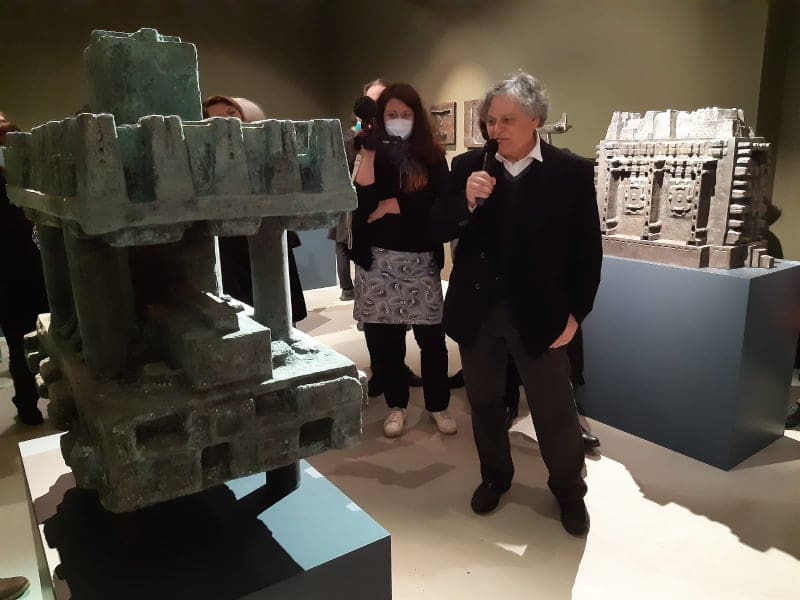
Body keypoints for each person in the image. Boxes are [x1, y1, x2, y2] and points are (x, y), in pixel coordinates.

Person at [432, 72, 602, 535]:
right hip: (478, 313)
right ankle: (495, 476)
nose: (496, 129)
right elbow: (437, 227)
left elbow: (587, 253)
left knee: (555, 410)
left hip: (542, 315)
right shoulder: (468, 166)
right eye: (491, 120)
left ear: (536, 120)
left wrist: (577, 315)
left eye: (507, 119)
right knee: (485, 403)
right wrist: (465, 203)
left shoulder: (570, 172)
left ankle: (568, 490)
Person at [351, 83, 455, 437]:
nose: (398, 120)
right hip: (378, 261)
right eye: (391, 114)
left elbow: (440, 204)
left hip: (421, 259)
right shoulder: (373, 150)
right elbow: (363, 199)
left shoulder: (432, 156)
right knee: (387, 342)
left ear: (417, 116)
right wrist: (367, 150)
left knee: (432, 341)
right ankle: (397, 405)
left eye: (405, 114)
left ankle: (438, 404)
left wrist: (395, 204)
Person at [341, 79, 422, 396]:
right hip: (367, 240)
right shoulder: (354, 143)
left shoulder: (409, 145)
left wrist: (395, 203)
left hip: (402, 241)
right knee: (373, 318)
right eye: (372, 105)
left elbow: (419, 192)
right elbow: (358, 194)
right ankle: (382, 371)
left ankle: (397, 369)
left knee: (400, 315)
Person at [201, 96, 307, 324]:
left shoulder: (264, 148)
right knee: (249, 313)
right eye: (217, 119)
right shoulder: (207, 162)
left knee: (284, 310)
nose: (229, 121)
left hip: (271, 234)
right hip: (232, 244)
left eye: (231, 113)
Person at [0, 112, 49, 425]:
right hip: (10, 275)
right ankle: (28, 405)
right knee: (20, 344)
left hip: (39, 268)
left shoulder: (31, 173)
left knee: (48, 335)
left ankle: (43, 399)